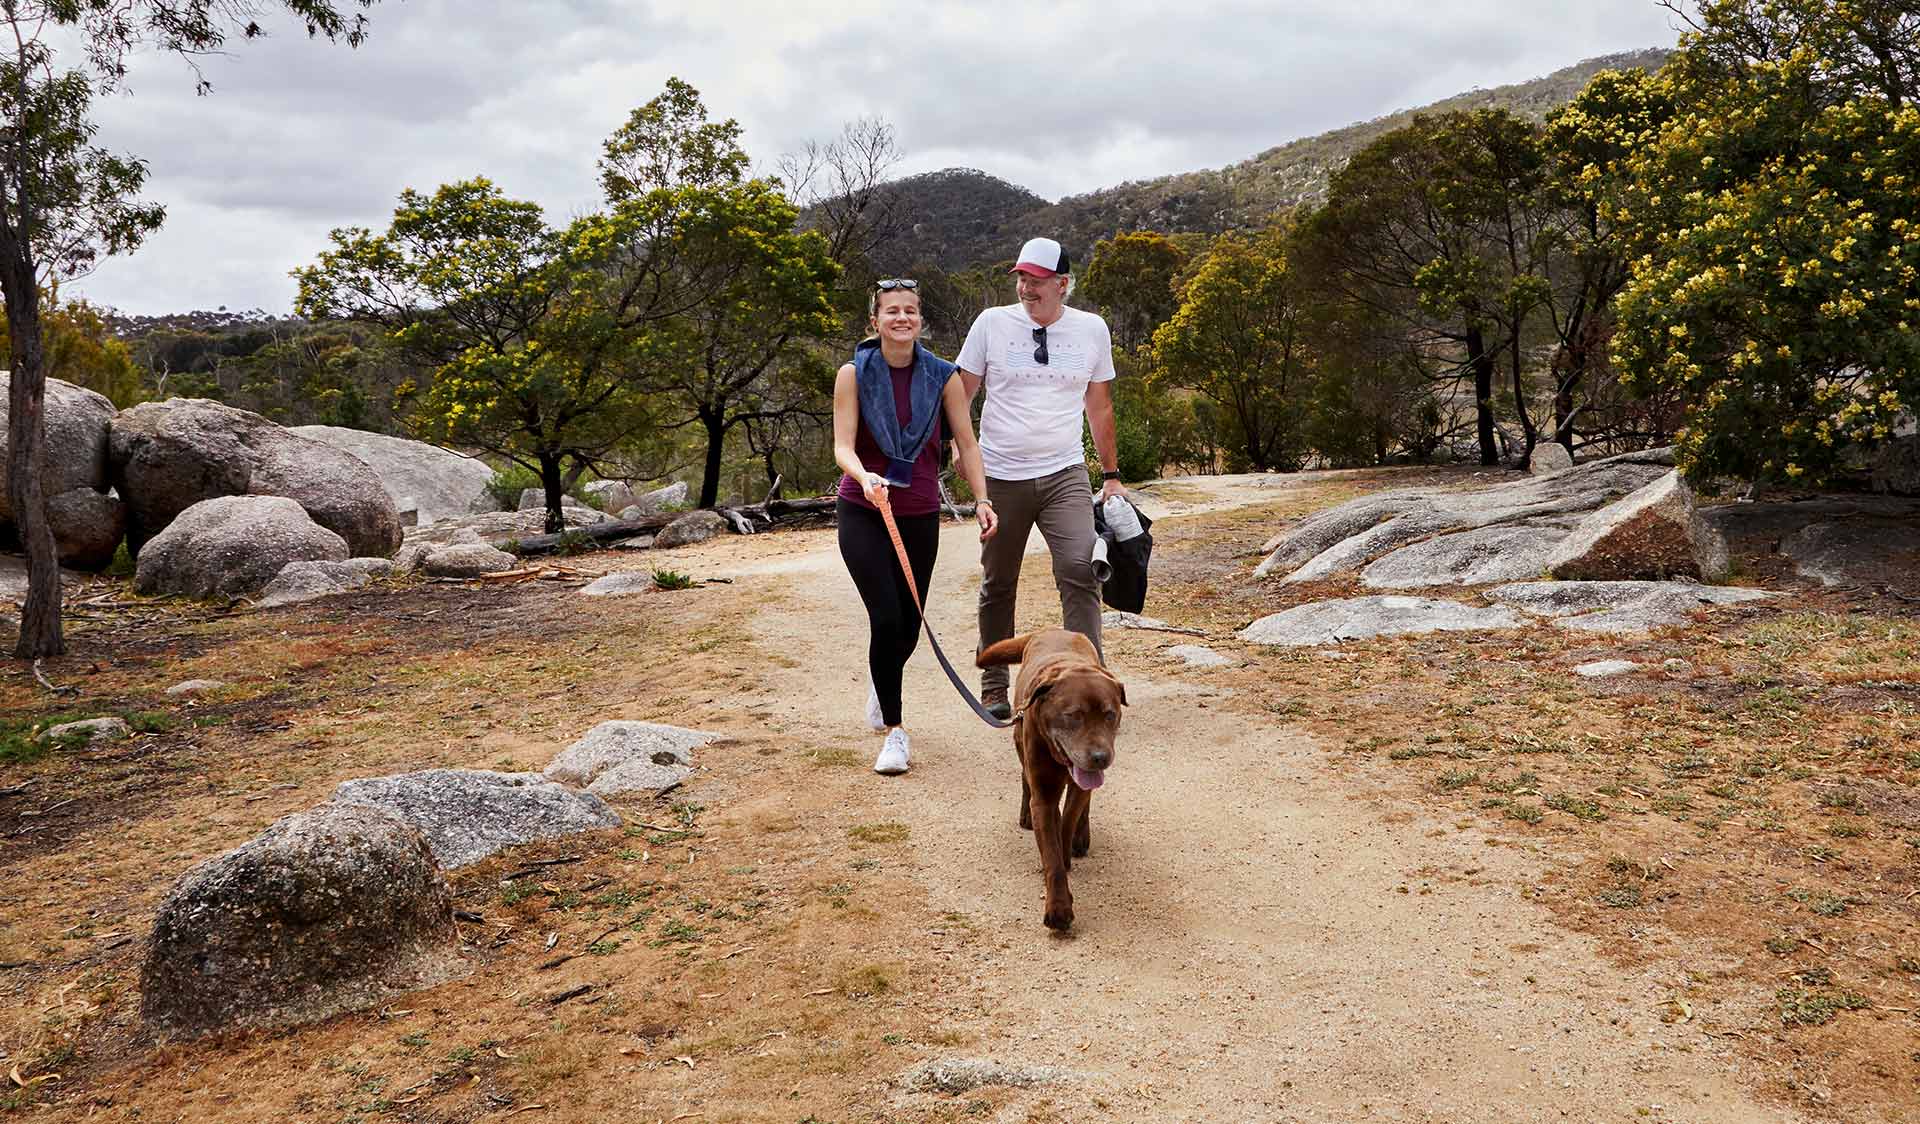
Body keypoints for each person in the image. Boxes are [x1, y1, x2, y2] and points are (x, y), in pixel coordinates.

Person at [833, 278, 998, 776]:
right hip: (864, 510)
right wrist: (864, 477)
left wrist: (982, 500)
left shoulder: (943, 377)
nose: (901, 318)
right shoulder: (853, 374)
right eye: (891, 311)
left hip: (920, 512)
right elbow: (842, 447)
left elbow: (966, 445)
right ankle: (895, 733)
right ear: (875, 322)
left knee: (907, 627)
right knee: (885, 618)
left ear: (920, 321)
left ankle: (881, 682)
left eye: (910, 311)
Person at [956, 237, 1125, 720]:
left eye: (1036, 279)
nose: (1025, 286)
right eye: (1021, 278)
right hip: (1001, 475)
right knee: (998, 581)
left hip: (1064, 472)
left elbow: (1099, 404)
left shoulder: (1091, 330)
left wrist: (1110, 475)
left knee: (1080, 570)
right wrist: (959, 452)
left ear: (1063, 284)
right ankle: (994, 685)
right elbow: (960, 394)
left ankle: (1089, 681)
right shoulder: (991, 324)